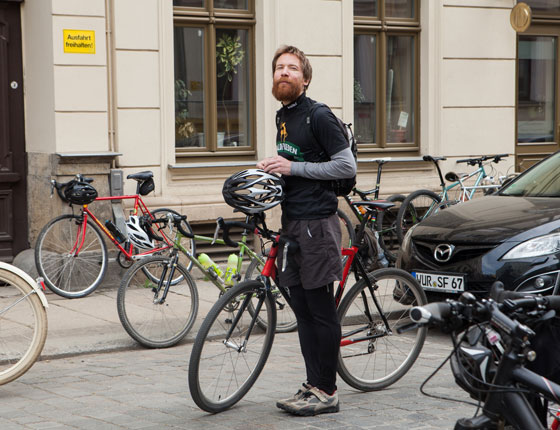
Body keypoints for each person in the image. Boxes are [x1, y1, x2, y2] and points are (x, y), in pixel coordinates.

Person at [257, 45, 356, 416]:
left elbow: (344, 167)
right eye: (279, 68)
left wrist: (292, 169)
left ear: (305, 78)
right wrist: (271, 170)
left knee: (320, 310)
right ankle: (312, 383)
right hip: (292, 223)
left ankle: (327, 391)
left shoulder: (319, 116)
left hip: (318, 223)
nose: (284, 73)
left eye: (292, 68)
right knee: (301, 310)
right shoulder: (284, 116)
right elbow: (292, 163)